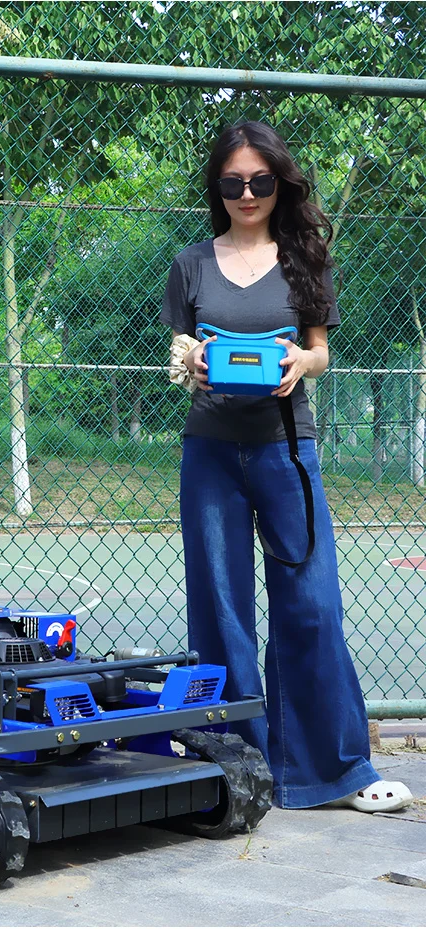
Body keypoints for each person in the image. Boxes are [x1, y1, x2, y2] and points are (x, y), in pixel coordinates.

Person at [161, 119, 410, 815]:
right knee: (221, 611)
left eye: (260, 181)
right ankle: (239, 772)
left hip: (286, 448)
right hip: (211, 452)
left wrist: (303, 360)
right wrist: (192, 360)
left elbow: (320, 351)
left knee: (311, 604)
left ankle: (333, 772)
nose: (247, 194)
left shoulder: (305, 256)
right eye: (233, 182)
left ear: (280, 182)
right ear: (217, 188)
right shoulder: (191, 263)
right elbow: (179, 349)